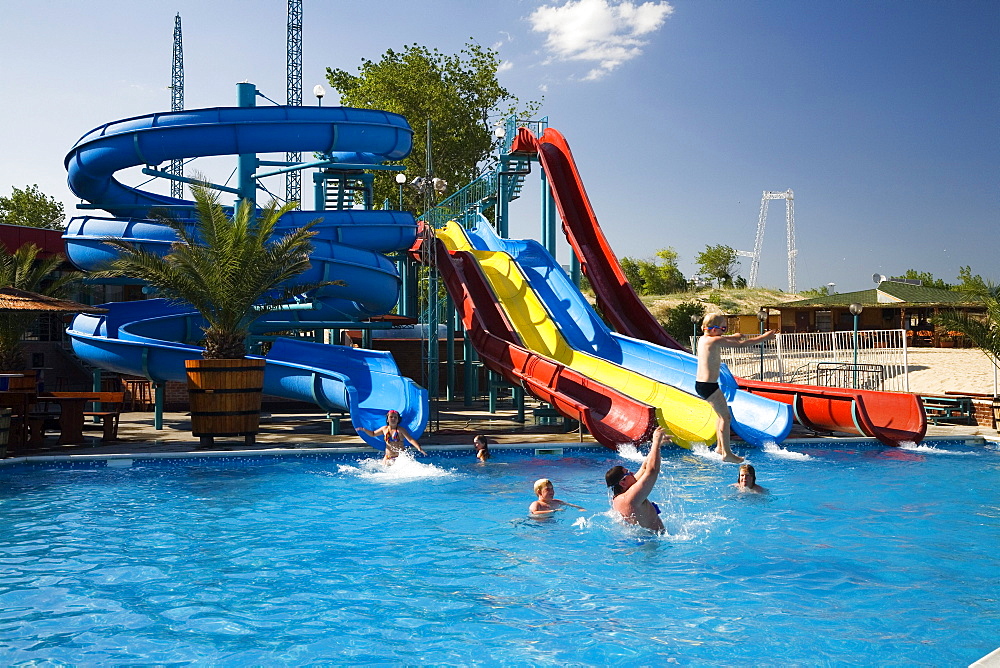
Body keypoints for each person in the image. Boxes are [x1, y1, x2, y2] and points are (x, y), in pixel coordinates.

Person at [696, 312, 776, 463]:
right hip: (708, 386)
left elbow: (722, 338)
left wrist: (732, 336)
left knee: (721, 416)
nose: (724, 331)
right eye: (723, 328)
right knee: (726, 417)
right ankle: (727, 453)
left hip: (704, 385)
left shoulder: (704, 339)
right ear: (714, 329)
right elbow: (742, 345)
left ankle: (720, 447)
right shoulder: (713, 342)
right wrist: (764, 338)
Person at [605, 426, 668, 532]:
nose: (632, 473)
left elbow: (644, 467)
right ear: (622, 483)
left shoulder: (619, 497)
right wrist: (656, 441)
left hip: (640, 541)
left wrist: (656, 446)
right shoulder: (631, 496)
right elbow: (652, 470)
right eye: (628, 473)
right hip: (652, 543)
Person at [356, 410, 427, 464]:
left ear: (398, 420)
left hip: (399, 458)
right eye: (391, 417)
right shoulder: (384, 429)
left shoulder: (401, 430)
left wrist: (418, 448)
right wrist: (364, 430)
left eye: (395, 417)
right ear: (387, 419)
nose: (393, 419)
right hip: (387, 457)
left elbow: (410, 439)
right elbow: (373, 434)